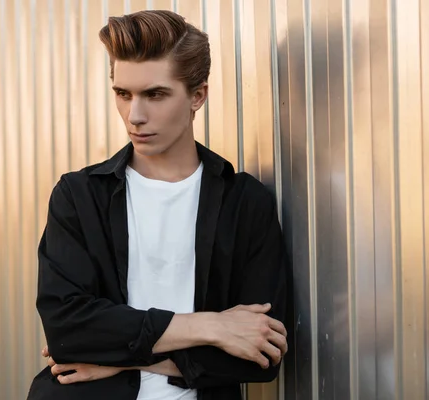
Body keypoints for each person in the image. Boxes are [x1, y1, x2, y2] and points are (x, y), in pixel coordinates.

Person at [27, 9, 288, 400]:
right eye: (123, 94)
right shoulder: (79, 196)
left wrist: (124, 357)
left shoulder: (245, 203)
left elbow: (261, 353)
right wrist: (211, 327)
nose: (135, 116)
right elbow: (68, 331)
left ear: (197, 95)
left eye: (155, 94)